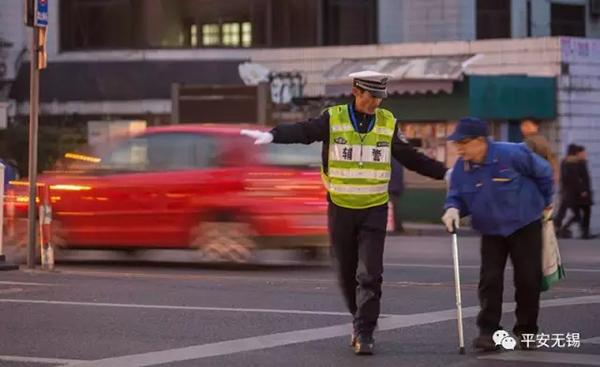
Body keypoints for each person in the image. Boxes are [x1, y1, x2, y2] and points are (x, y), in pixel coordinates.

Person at [241, 70, 448, 355]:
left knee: (371, 274)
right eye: (371, 96)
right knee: (347, 273)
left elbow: (411, 157)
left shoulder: (387, 123)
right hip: (340, 208)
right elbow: (305, 131)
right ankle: (358, 317)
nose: (376, 103)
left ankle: (365, 331)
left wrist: (445, 174)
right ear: (356, 91)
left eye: (380, 98)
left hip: (374, 208)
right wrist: (272, 136)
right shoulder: (334, 117)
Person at [441, 117, 553, 351]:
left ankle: (526, 331)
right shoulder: (461, 169)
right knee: (489, 280)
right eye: (457, 143)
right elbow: (457, 196)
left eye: (463, 142)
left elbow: (543, 172)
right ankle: (488, 331)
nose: (459, 148)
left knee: (527, 279)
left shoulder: (512, 154)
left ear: (481, 141)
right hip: (490, 229)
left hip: (524, 224)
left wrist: (545, 202)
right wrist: (452, 209)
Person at [554, 144, 584, 238]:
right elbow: (575, 179)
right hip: (572, 193)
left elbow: (562, 177)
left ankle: (558, 229)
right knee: (577, 215)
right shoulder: (574, 163)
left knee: (561, 212)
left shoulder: (564, 162)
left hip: (565, 190)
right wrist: (581, 191)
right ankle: (562, 229)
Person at [575, 146, 594, 239]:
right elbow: (579, 178)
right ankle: (585, 232)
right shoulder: (579, 164)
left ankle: (585, 232)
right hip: (583, 193)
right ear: (578, 154)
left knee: (586, 213)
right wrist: (582, 190)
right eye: (583, 153)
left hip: (585, 191)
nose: (585, 154)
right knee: (586, 212)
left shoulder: (582, 163)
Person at [388, 158, 405, 234]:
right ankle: (397, 227)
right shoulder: (397, 159)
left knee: (392, 208)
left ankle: (396, 227)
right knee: (393, 207)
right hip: (396, 187)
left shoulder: (390, 158)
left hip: (391, 187)